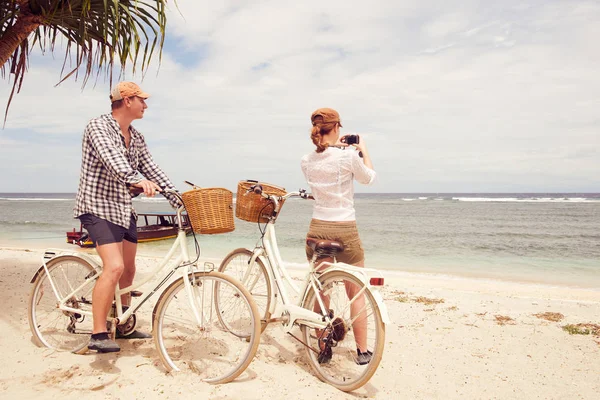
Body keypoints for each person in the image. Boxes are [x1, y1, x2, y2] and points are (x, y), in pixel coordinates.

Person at [74, 82, 180, 353]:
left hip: (123, 208)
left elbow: (151, 166)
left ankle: (121, 326)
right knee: (115, 267)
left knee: (129, 270)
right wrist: (139, 180)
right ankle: (98, 334)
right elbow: (114, 162)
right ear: (127, 100)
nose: (146, 105)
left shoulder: (137, 137)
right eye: (142, 100)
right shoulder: (98, 126)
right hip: (97, 206)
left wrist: (176, 196)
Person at [300, 107, 376, 365]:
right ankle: (363, 351)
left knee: (322, 290)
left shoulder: (306, 160)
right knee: (356, 292)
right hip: (345, 229)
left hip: (317, 228)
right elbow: (369, 178)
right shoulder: (348, 157)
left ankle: (323, 346)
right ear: (336, 128)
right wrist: (361, 148)